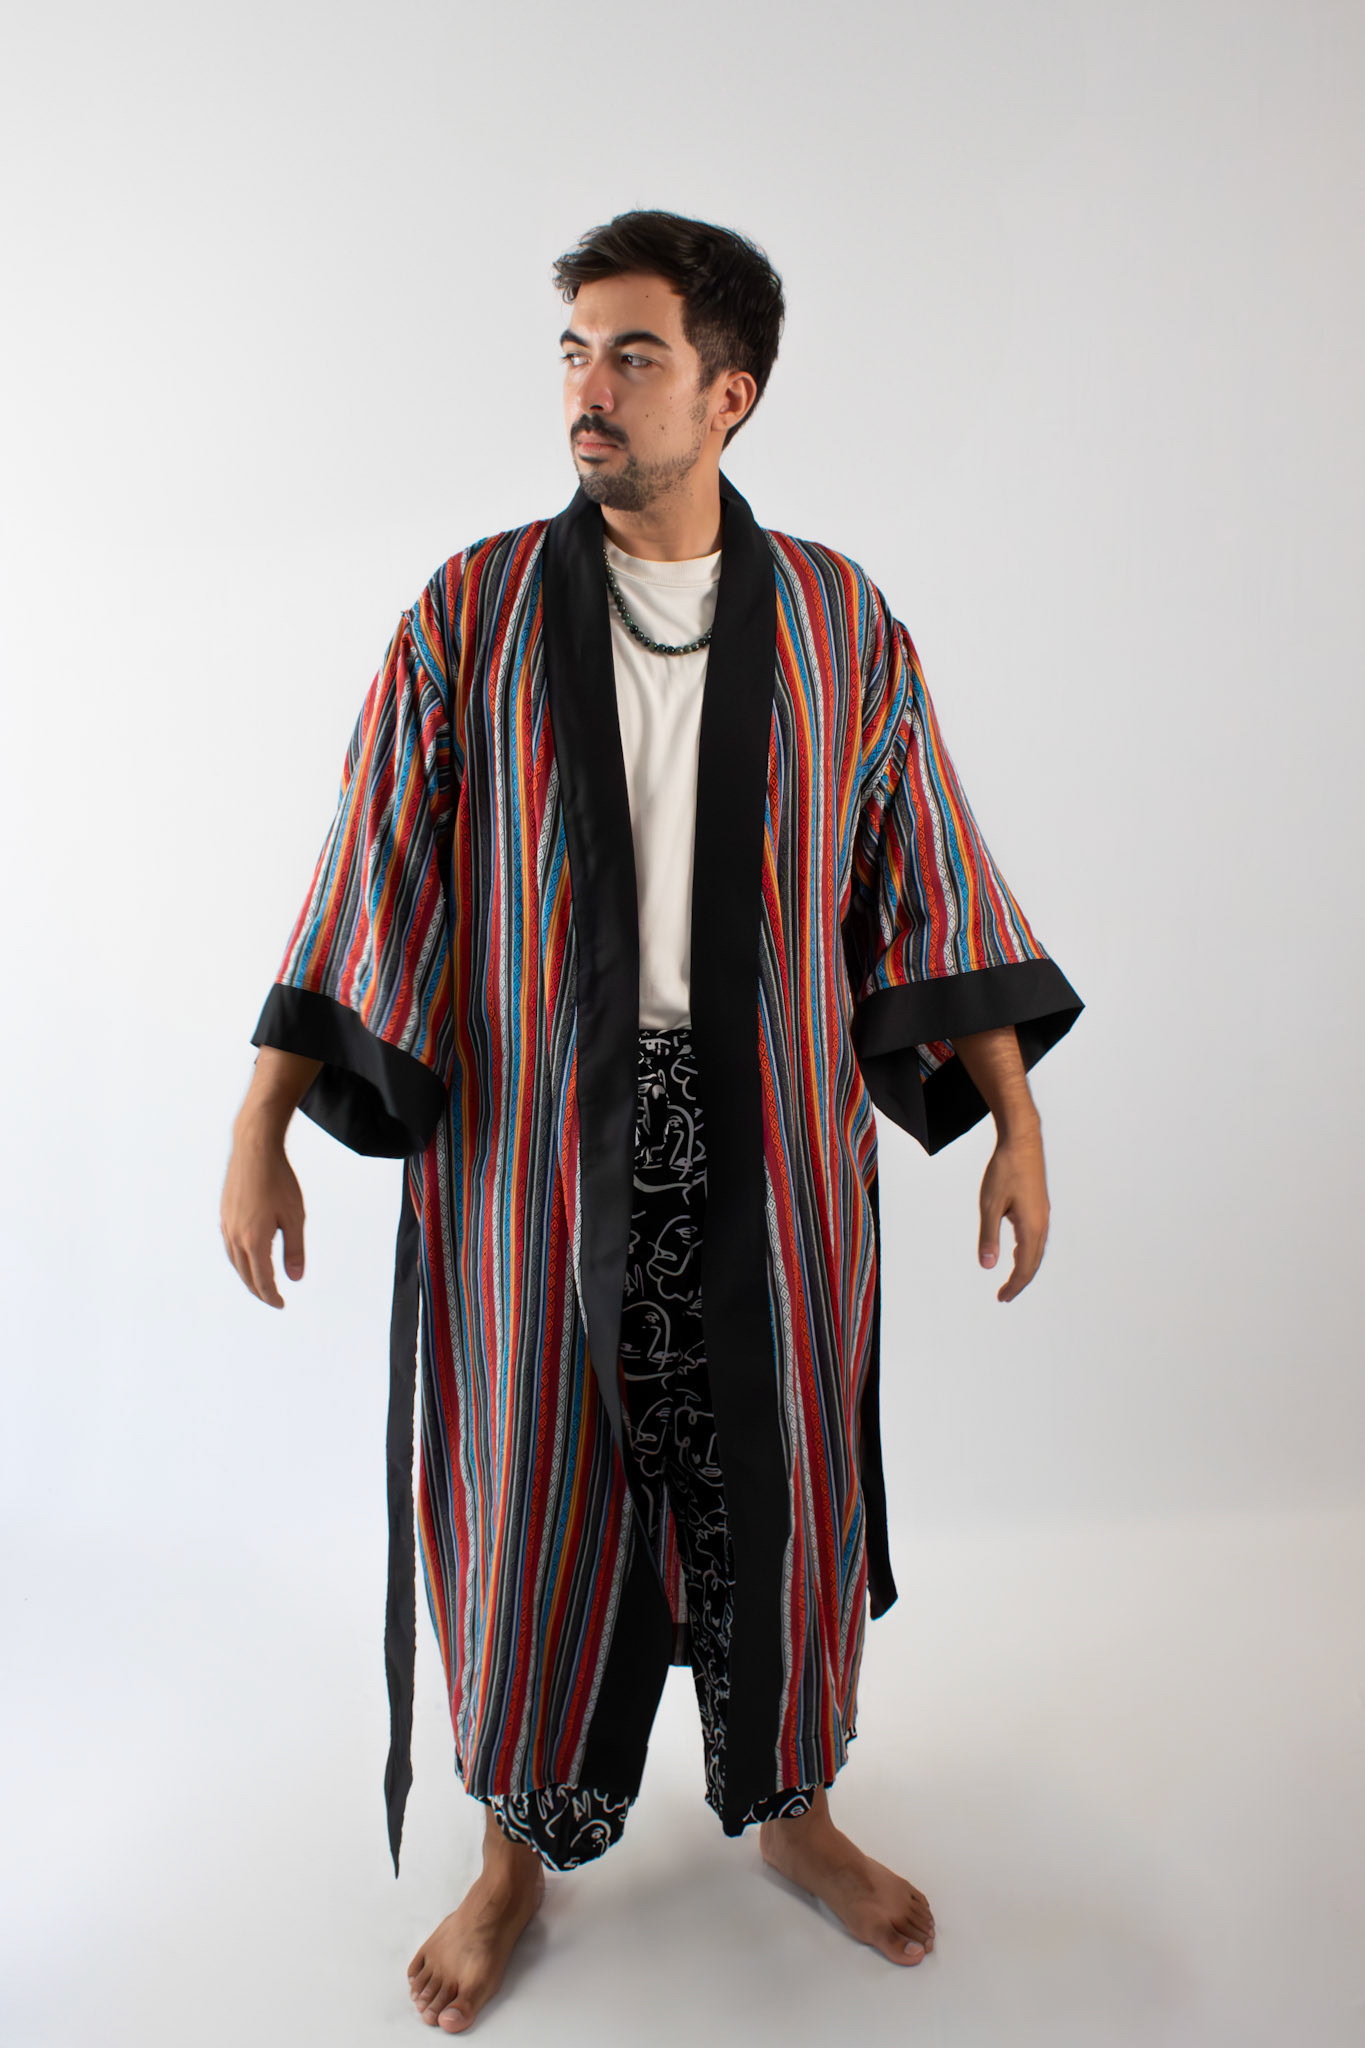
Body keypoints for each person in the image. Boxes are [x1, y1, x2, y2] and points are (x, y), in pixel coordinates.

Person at [220, 208, 1083, 2034]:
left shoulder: (839, 621)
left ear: (727, 393)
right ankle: (509, 1860)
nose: (586, 391)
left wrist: (1012, 1120)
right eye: (572, 352)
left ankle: (794, 1814)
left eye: (630, 356)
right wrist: (259, 1126)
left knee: (774, 1485)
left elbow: (926, 881)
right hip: (533, 1152)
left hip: (767, 1146)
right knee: (535, 1492)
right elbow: (368, 873)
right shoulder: (468, 615)